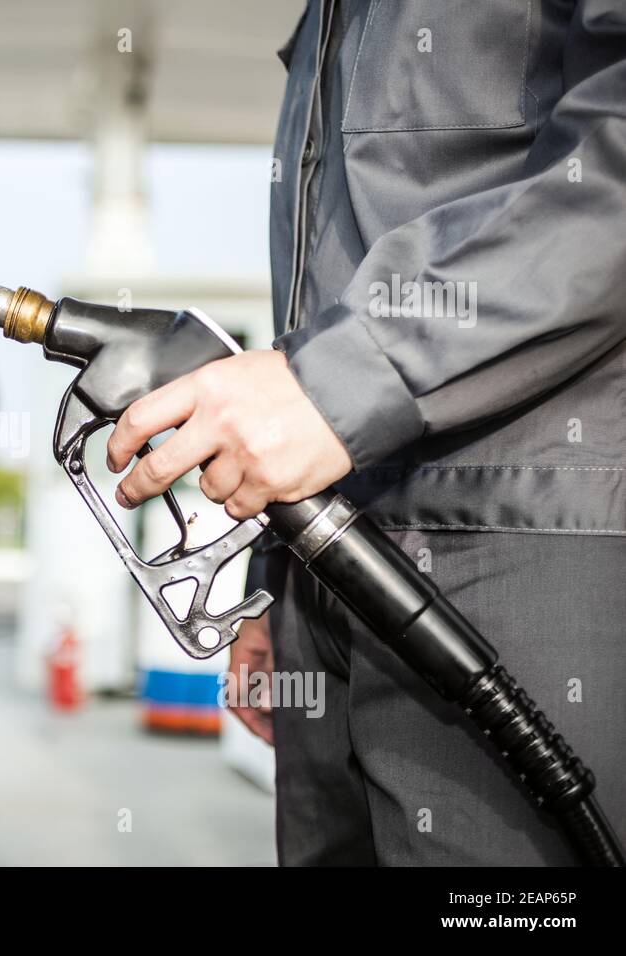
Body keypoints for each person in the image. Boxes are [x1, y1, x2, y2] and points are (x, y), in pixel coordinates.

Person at [105, 0, 626, 865]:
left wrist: (338, 384)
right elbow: (326, 280)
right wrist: (272, 585)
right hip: (329, 569)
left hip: (523, 552)